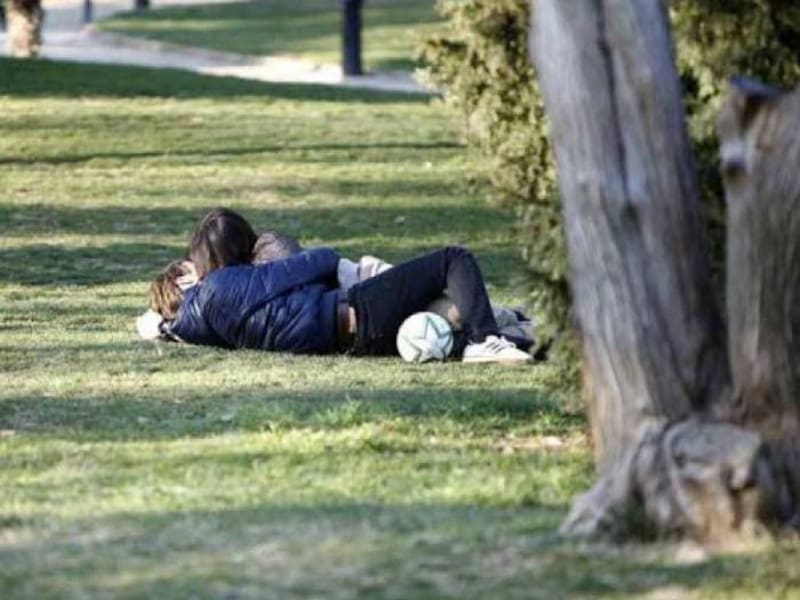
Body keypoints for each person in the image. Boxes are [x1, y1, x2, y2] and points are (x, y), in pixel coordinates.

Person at [148, 245, 532, 363]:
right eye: (190, 266)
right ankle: (486, 340)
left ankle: (525, 342)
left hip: (355, 342)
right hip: (360, 309)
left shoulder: (195, 329)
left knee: (456, 340)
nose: (200, 264)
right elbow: (320, 261)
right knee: (452, 260)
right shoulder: (217, 286)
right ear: (183, 280)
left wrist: (160, 321)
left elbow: (161, 322)